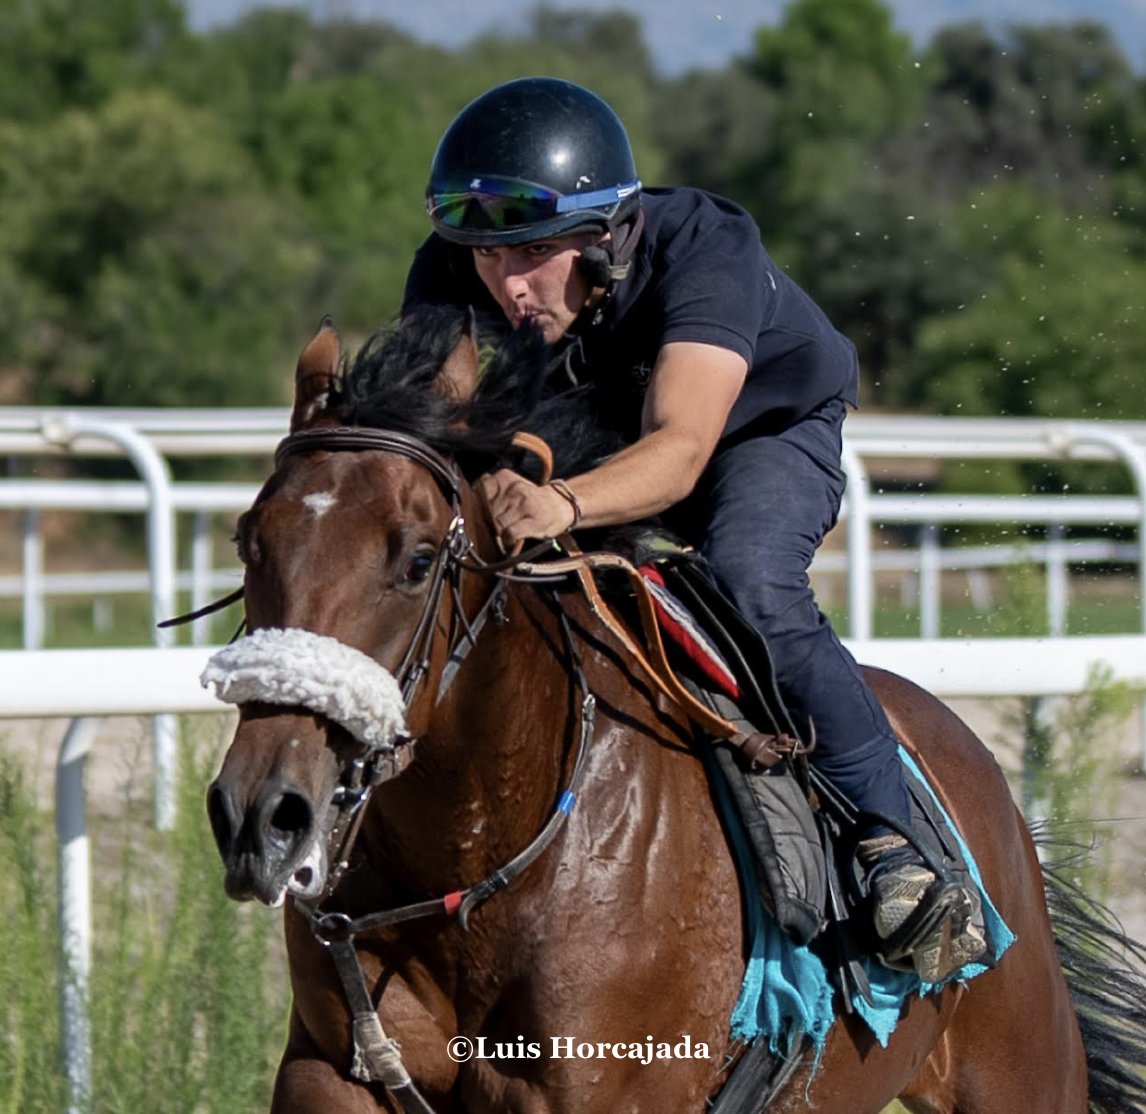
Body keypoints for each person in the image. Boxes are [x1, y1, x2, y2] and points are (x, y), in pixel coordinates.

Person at [402, 76, 986, 983]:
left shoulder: (707, 248)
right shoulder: (450, 267)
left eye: (536, 253)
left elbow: (677, 455)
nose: (505, 283)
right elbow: (428, 435)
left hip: (759, 428)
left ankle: (893, 844)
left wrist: (562, 505)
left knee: (748, 577)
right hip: (604, 419)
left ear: (605, 235)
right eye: (485, 257)